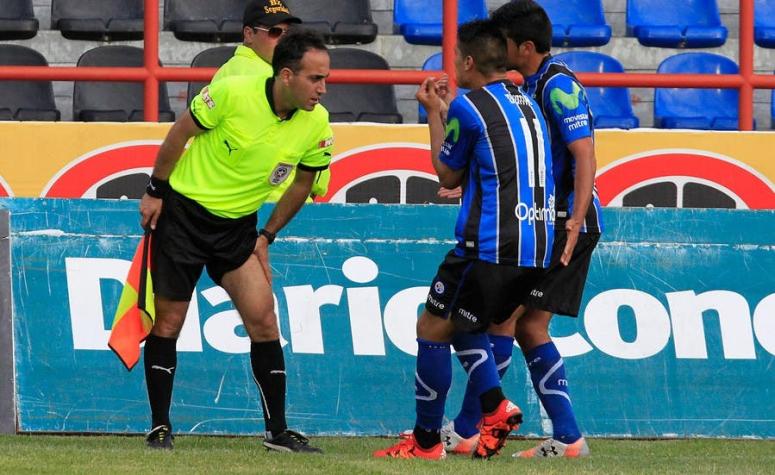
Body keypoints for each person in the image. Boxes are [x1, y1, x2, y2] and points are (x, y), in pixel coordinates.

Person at [138, 30, 333, 453]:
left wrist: (267, 235)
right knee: (168, 323)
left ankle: (277, 432)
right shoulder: (232, 92)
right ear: (286, 75)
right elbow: (178, 134)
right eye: (315, 79)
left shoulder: (317, 121)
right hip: (184, 218)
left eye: (325, 79)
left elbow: (304, 181)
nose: (322, 89)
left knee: (264, 321)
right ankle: (159, 427)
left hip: (237, 229)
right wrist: (155, 191)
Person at [373, 19, 554, 460]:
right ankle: (461, 425)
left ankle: (454, 428)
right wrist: (446, 111)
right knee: (466, 324)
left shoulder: (469, 107)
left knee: (434, 326)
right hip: (538, 241)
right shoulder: (527, 102)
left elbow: (447, 174)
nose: (452, 64)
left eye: (455, 57)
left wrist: (434, 113)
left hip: (489, 242)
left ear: (469, 62)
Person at [441, 0, 603, 459]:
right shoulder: (527, 87)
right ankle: (548, 434)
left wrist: (575, 219)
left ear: (525, 47)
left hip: (564, 224)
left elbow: (584, 153)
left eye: (505, 41)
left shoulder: (556, 85)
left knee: (512, 324)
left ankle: (478, 429)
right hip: (543, 222)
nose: (498, 47)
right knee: (517, 325)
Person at [209, 0, 330, 202]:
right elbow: (313, 132)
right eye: (275, 32)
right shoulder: (276, 80)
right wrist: (315, 186)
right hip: (273, 201)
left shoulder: (230, 70)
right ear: (249, 34)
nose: (283, 40)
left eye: (288, 33)